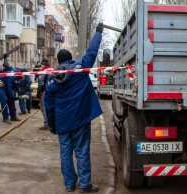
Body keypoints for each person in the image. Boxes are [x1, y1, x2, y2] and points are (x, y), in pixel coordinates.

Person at [44, 23, 104, 193]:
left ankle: (69, 184)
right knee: (82, 151)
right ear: (70, 59)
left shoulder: (52, 79)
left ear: (59, 61)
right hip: (80, 120)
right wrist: (98, 32)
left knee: (65, 153)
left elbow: (48, 104)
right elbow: (92, 51)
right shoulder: (80, 68)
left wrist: (51, 125)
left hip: (62, 122)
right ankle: (85, 185)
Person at [0, 54, 21, 124]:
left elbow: (15, 84)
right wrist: (12, 96)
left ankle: (13, 116)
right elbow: (9, 86)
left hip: (6, 84)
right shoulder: (14, 75)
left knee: (11, 101)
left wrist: (20, 90)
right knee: (4, 100)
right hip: (0, 84)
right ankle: (5, 118)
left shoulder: (18, 75)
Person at [36, 58, 53, 130]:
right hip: (52, 91)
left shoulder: (43, 72)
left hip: (45, 91)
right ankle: (52, 123)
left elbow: (41, 83)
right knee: (51, 107)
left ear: (43, 65)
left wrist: (38, 92)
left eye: (41, 65)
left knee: (44, 107)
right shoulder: (52, 70)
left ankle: (47, 124)